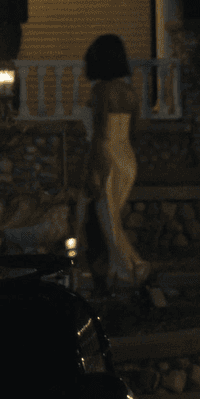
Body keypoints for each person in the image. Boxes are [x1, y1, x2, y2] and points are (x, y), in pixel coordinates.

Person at [76, 34, 153, 296]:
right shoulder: (130, 93)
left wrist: (94, 170)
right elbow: (134, 130)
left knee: (103, 221)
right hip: (126, 158)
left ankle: (133, 268)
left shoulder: (101, 91)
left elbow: (99, 135)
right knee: (109, 219)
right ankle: (118, 274)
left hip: (106, 156)